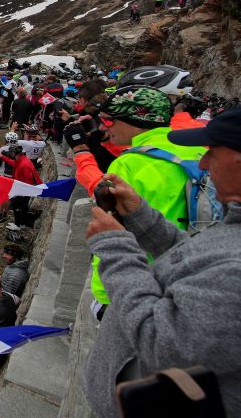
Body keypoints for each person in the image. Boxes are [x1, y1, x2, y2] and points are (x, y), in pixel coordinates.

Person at [81, 108, 241, 418]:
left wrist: (116, 248)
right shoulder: (233, 229)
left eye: (212, 152)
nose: (202, 164)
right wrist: (142, 219)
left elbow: (166, 344)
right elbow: (197, 262)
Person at [82, 86, 204, 314]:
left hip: (141, 284)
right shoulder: (195, 149)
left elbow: (113, 231)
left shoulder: (129, 164)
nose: (101, 127)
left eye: (108, 121)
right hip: (192, 273)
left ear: (134, 119)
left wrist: (102, 294)